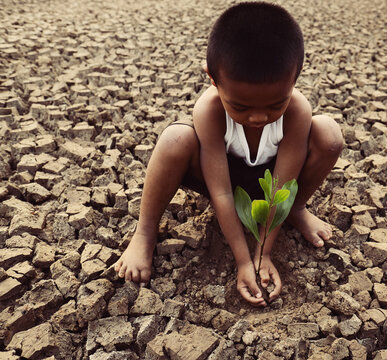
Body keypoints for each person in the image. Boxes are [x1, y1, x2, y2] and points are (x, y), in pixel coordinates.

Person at [114, 2, 343, 307]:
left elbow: (280, 189)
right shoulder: (209, 110)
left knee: (329, 134)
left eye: (275, 105)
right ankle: (144, 232)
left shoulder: (297, 111)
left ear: (295, 78)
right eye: (241, 107)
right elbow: (221, 192)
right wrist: (244, 261)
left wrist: (263, 254)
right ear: (212, 78)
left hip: (272, 181)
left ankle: (299, 211)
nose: (259, 118)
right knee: (175, 138)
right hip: (221, 179)